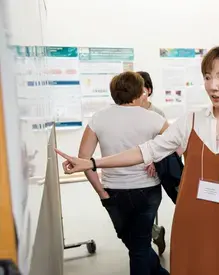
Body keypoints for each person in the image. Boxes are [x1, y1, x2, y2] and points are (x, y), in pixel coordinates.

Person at [55, 44, 219, 275]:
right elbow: (146, 151)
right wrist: (92, 163)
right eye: (207, 77)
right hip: (190, 222)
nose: (212, 86)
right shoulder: (191, 122)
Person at [78, 71, 169, 275]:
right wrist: (155, 159)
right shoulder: (154, 118)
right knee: (139, 245)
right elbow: (177, 149)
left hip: (113, 191)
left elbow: (84, 159)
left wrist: (101, 192)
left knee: (136, 246)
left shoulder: (99, 118)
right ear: (140, 91)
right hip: (148, 191)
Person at [136, 70, 166, 256]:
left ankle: (151, 234)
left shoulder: (157, 113)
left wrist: (155, 162)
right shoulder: (126, 112)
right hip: (130, 170)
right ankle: (155, 232)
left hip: (150, 172)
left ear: (149, 90)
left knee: (145, 215)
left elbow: (165, 143)